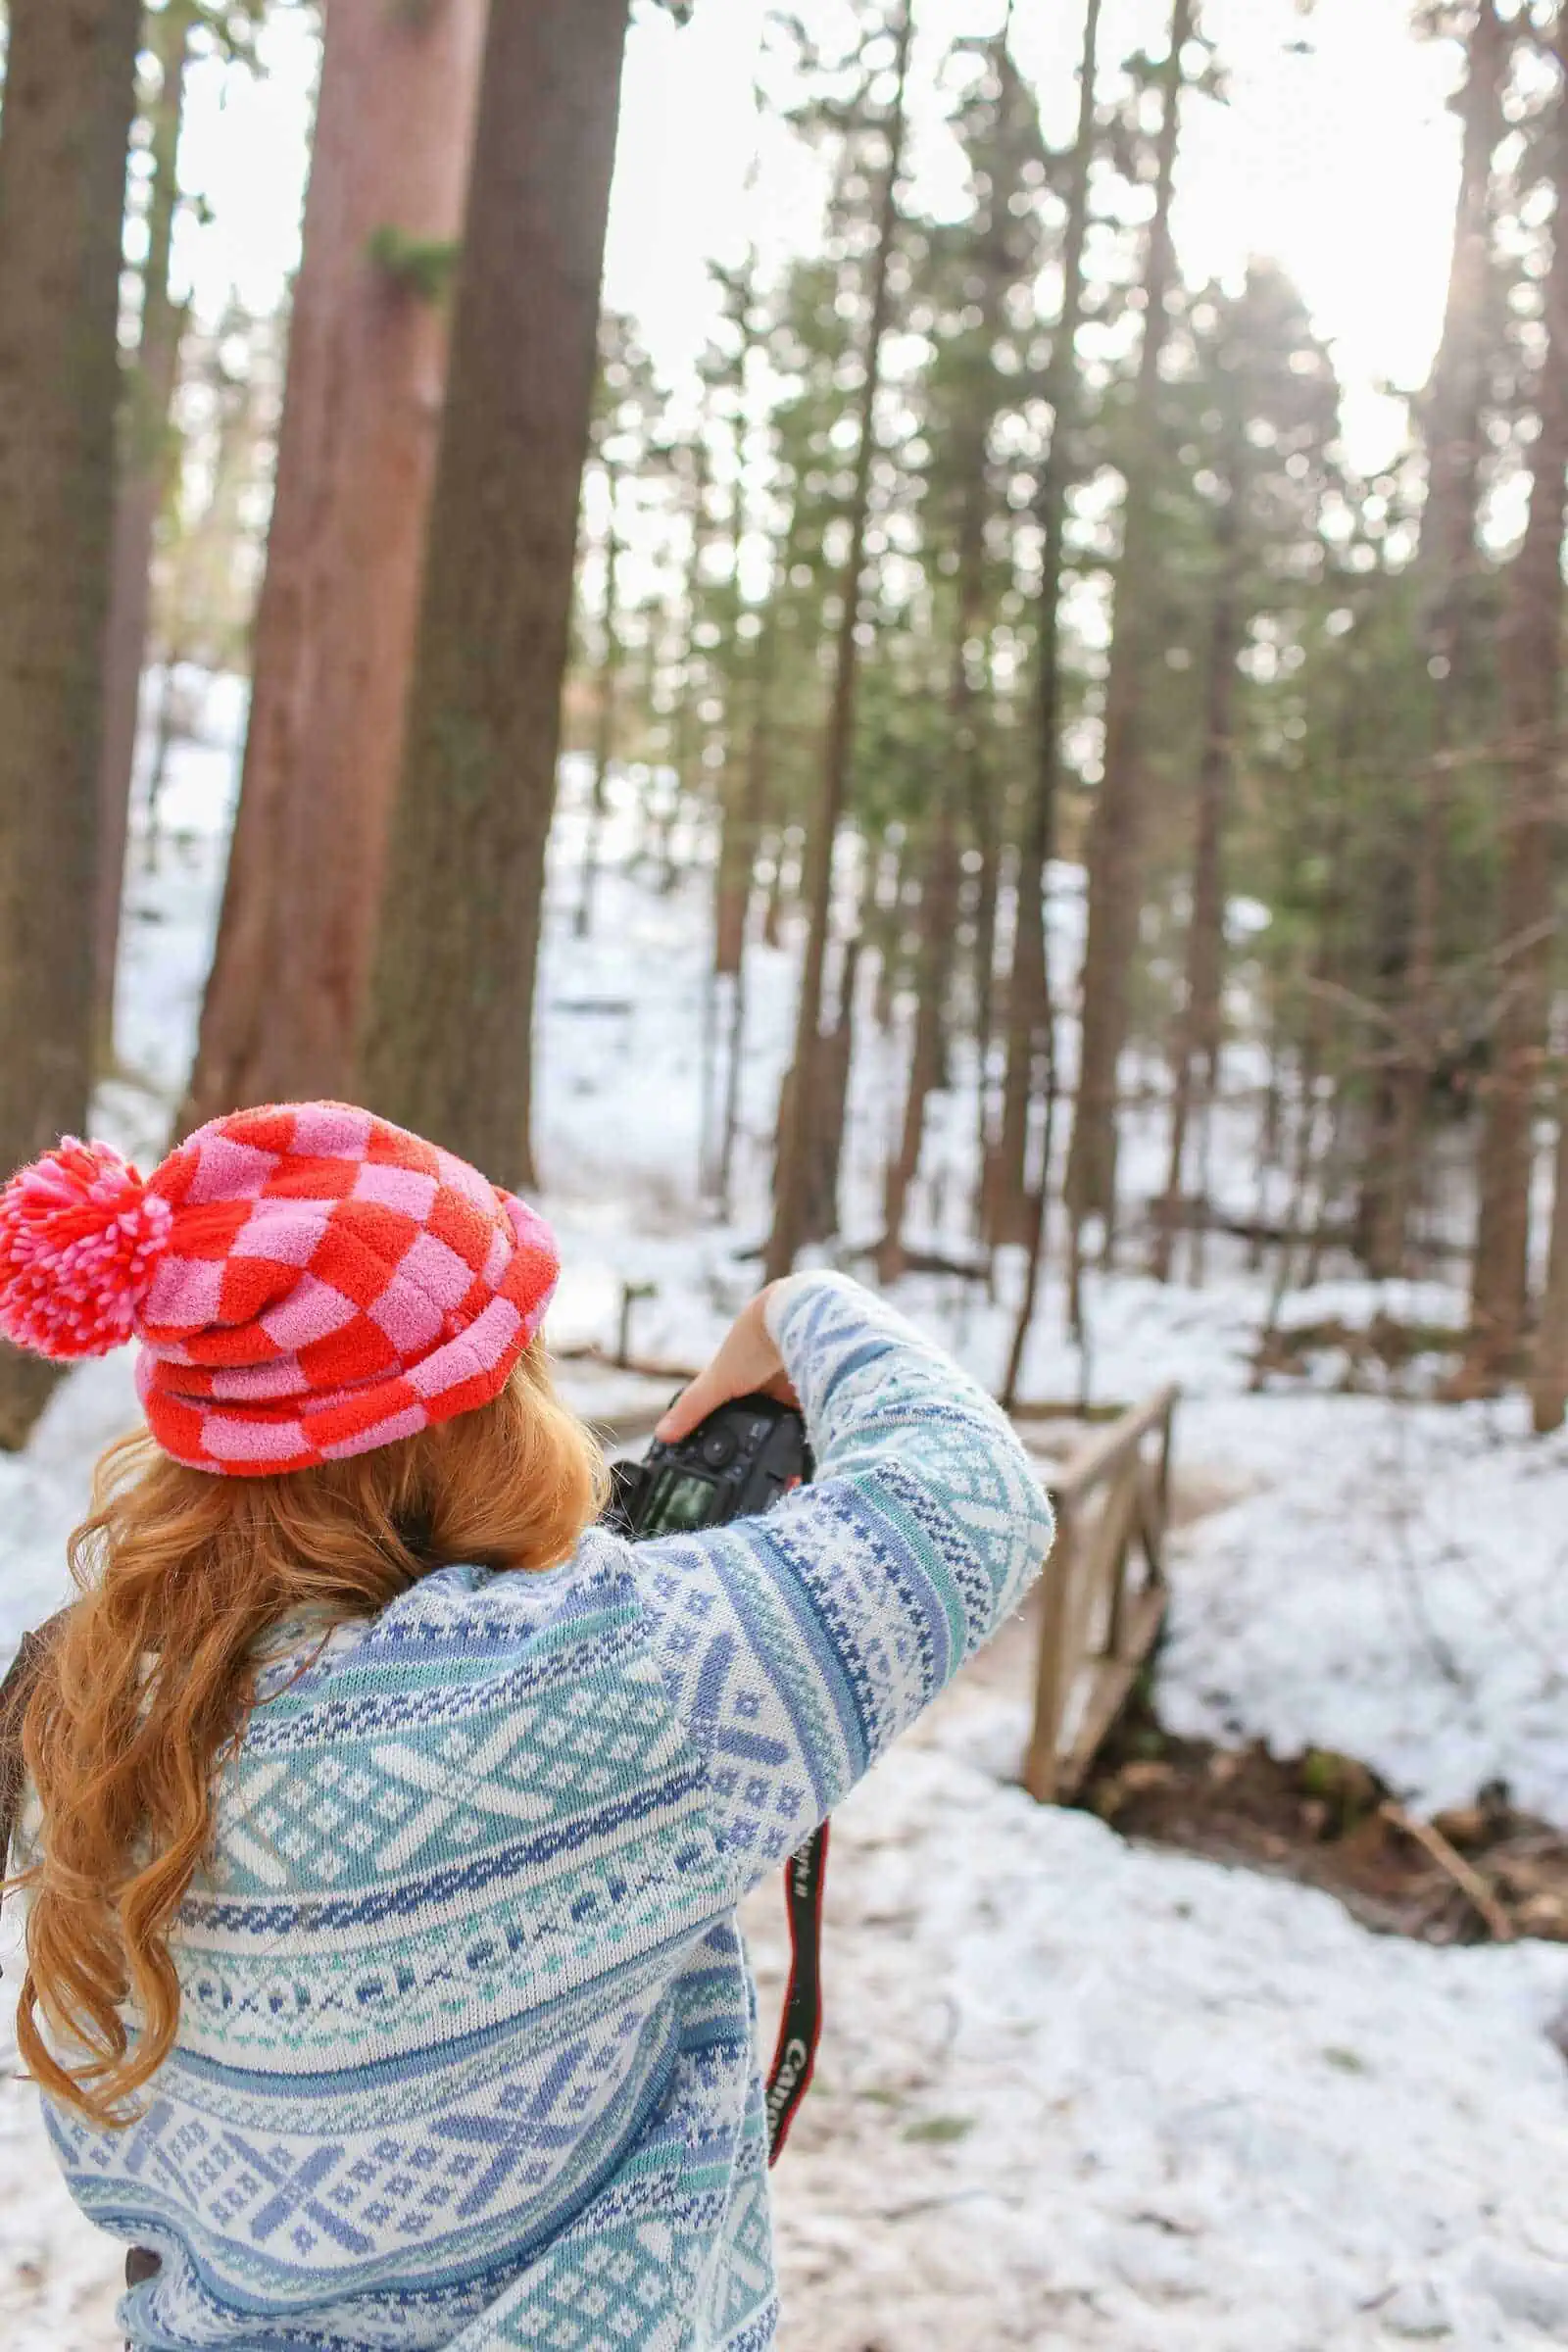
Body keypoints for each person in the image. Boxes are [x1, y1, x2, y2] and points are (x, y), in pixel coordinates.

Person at [0, 1102, 1054, 2352]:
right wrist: (797, 1306)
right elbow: (975, 1501)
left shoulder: (80, 1694)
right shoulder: (595, 1680)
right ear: (473, 1417)